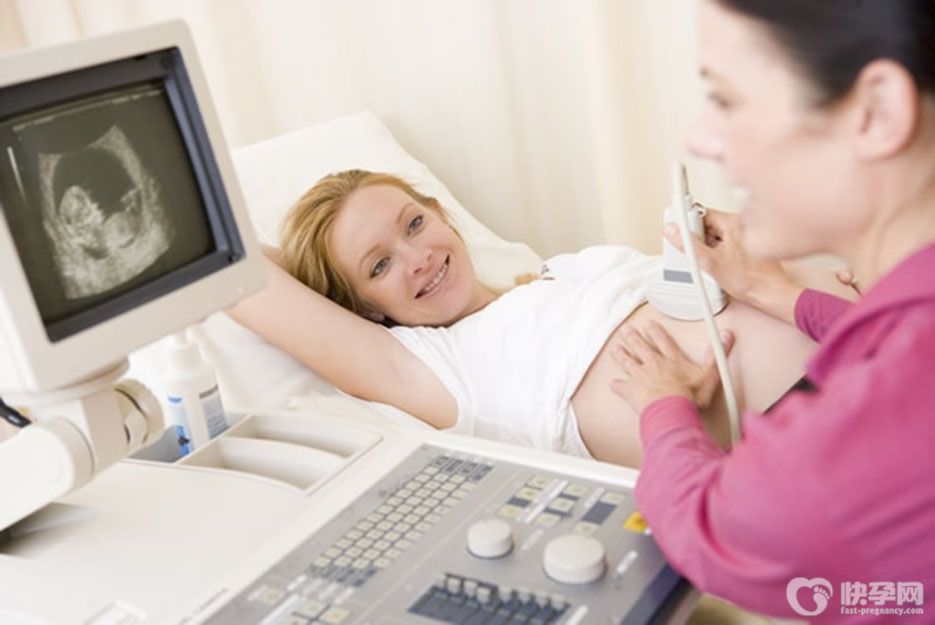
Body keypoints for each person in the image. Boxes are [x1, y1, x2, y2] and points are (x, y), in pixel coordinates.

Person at [608, 0, 935, 620]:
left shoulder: (845, 452)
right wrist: (772, 291)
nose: (700, 138)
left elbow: (707, 524)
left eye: (726, 99)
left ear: (878, 112)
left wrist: (664, 406)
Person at [228, 169, 851, 469]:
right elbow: (236, 269)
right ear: (362, 307)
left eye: (415, 223)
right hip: (816, 437)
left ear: (440, 213)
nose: (418, 259)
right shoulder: (437, 369)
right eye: (380, 265)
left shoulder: (566, 268)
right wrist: (319, 267)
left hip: (871, 339)